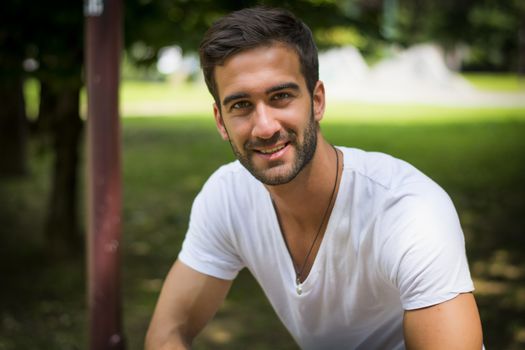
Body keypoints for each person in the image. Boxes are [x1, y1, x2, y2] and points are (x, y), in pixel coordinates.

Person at [145, 7, 483, 349]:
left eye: (281, 97)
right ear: (221, 121)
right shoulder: (227, 196)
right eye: (241, 105)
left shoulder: (408, 212)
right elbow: (167, 333)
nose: (265, 127)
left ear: (317, 101)